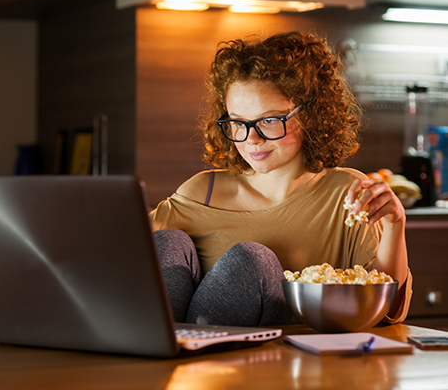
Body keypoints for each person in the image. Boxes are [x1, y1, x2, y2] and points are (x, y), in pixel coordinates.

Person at [150, 30, 412, 326]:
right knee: (166, 242)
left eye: (270, 120)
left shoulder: (348, 195)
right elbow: (122, 250)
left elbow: (385, 312)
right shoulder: (202, 192)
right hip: (172, 347)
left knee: (252, 260)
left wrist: (394, 225)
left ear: (310, 115)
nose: (252, 139)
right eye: (238, 123)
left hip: (281, 362)